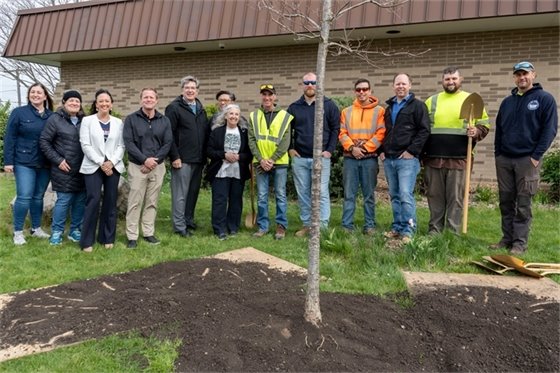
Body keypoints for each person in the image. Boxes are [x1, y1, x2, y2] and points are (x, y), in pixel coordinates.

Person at [491, 61, 558, 254]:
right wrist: (497, 154)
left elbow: (549, 130)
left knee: (523, 202)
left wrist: (536, 156)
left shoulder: (544, 99)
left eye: (525, 74)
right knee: (505, 201)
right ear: (514, 77)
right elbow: (500, 130)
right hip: (504, 159)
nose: (522, 77)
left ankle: (519, 244)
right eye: (518, 74)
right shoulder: (507, 102)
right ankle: (507, 238)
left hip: (527, 160)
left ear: (533, 75)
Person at [423, 67, 489, 234]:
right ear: (442, 81)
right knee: (435, 196)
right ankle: (435, 230)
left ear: (461, 80)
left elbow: (484, 125)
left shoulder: (471, 100)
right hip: (434, 158)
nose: (450, 82)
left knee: (456, 198)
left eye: (454, 78)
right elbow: (422, 129)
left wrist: (477, 132)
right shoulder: (432, 101)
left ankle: (453, 232)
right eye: (447, 79)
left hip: (460, 157)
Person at [287, 72, 340, 236]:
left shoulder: (329, 105)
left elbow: (335, 129)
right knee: (303, 193)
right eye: (307, 82)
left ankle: (321, 227)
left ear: (319, 84)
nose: (310, 85)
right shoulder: (294, 107)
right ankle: (307, 224)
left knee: (321, 192)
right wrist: (290, 148)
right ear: (302, 85)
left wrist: (329, 150)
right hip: (300, 158)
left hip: (321, 157)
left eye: (313, 82)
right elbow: (287, 130)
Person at [380, 73, 430, 243]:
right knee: (394, 195)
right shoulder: (389, 108)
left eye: (404, 84)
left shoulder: (418, 106)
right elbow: (384, 131)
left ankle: (409, 228)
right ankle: (397, 227)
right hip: (389, 158)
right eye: (397, 84)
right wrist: (382, 150)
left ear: (410, 85)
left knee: (405, 194)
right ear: (393, 86)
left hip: (407, 159)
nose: (400, 86)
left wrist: (411, 151)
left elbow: (424, 131)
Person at [3, 82, 54, 245]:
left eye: (39, 92)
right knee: (24, 196)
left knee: (38, 196)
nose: (36, 95)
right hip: (23, 161)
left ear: (45, 96)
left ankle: (36, 228)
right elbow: (10, 138)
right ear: (29, 95)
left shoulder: (51, 116)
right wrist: (8, 161)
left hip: (45, 162)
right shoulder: (19, 113)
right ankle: (18, 232)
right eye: (33, 92)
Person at [123, 88, 173, 248]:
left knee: (152, 202)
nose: (148, 99)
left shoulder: (164, 120)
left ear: (156, 100)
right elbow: (129, 143)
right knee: (134, 202)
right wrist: (144, 160)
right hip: (137, 166)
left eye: (152, 97)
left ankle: (148, 232)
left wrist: (154, 161)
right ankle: (132, 236)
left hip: (157, 167)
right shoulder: (131, 119)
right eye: (145, 97)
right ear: (141, 100)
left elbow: (167, 143)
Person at [78, 89, 125, 253]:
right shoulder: (87, 121)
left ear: (111, 104)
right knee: (93, 199)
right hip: (93, 166)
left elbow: (121, 145)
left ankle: (107, 237)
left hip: (113, 166)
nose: (104, 104)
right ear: (96, 104)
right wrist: (101, 162)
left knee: (111, 201)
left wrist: (111, 162)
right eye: (101, 101)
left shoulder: (119, 122)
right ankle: (87, 240)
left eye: (107, 101)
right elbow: (85, 145)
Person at [339, 78, 386, 234]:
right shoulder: (346, 111)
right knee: (349, 194)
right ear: (355, 92)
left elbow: (381, 133)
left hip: (369, 159)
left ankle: (370, 225)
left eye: (365, 89)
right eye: (358, 89)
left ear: (370, 91)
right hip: (350, 158)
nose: (361, 92)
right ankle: (347, 226)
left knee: (369, 194)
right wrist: (352, 148)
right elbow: (342, 133)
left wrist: (364, 149)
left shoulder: (379, 111)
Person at [39, 89, 86, 246]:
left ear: (80, 105)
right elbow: (44, 142)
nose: (74, 103)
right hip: (63, 169)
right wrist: (58, 160)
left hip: (82, 168)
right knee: (64, 201)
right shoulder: (55, 119)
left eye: (77, 101)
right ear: (64, 102)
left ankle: (75, 230)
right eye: (70, 100)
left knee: (80, 201)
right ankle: (57, 232)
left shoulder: (85, 120)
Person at [165, 76, 209, 237]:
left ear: (197, 90)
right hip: (181, 159)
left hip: (198, 159)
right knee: (180, 194)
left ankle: (188, 220)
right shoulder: (174, 108)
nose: (190, 90)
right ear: (182, 90)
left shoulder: (200, 108)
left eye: (193, 88)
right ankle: (179, 226)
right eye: (187, 88)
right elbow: (168, 135)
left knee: (192, 193)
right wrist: (174, 156)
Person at [248, 84, 293, 240]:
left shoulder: (284, 116)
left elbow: (285, 142)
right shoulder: (254, 116)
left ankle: (281, 226)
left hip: (279, 162)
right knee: (262, 196)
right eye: (264, 95)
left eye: (270, 95)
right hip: (260, 163)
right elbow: (252, 140)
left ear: (275, 96)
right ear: (261, 96)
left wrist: (272, 160)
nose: (267, 98)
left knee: (280, 195)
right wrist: (261, 160)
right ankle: (263, 226)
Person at [206, 104, 252, 240]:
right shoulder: (217, 132)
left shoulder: (244, 133)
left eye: (236, 114)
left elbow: (249, 154)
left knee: (236, 200)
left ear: (239, 117)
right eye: (231, 114)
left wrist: (239, 157)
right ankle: (219, 228)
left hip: (238, 172)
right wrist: (224, 155)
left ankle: (233, 227)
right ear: (225, 116)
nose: (234, 117)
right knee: (219, 200)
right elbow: (209, 151)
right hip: (220, 171)